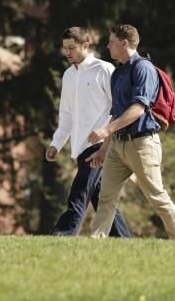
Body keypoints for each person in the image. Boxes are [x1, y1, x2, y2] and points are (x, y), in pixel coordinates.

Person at [86, 24, 175, 240]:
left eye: (111, 41)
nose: (108, 46)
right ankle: (96, 240)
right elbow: (117, 113)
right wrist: (104, 149)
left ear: (124, 43)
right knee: (107, 196)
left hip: (142, 144)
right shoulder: (118, 73)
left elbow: (138, 109)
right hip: (117, 145)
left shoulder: (143, 68)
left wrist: (106, 130)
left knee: (156, 196)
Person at [46, 27, 132, 237]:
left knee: (79, 193)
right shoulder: (68, 76)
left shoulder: (104, 69)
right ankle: (124, 240)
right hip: (79, 148)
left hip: (100, 146)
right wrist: (56, 143)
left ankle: (62, 236)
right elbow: (66, 116)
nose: (68, 52)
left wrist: (106, 135)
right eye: (65, 48)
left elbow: (119, 107)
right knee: (101, 199)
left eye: (72, 48)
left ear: (85, 45)